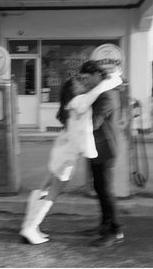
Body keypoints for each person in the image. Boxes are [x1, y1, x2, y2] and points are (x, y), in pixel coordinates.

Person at [19, 71, 122, 245]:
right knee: (52, 194)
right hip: (66, 157)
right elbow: (99, 90)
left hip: (60, 152)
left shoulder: (70, 105)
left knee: (44, 187)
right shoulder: (80, 102)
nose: (83, 84)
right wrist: (114, 78)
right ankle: (30, 229)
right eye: (79, 84)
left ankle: (28, 226)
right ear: (73, 90)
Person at [79, 60, 124, 247]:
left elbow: (94, 122)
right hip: (95, 147)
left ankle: (116, 230)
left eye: (86, 78)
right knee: (98, 187)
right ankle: (104, 225)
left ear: (98, 75)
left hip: (105, 149)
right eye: (82, 79)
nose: (84, 82)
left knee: (105, 190)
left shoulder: (107, 95)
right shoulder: (97, 93)